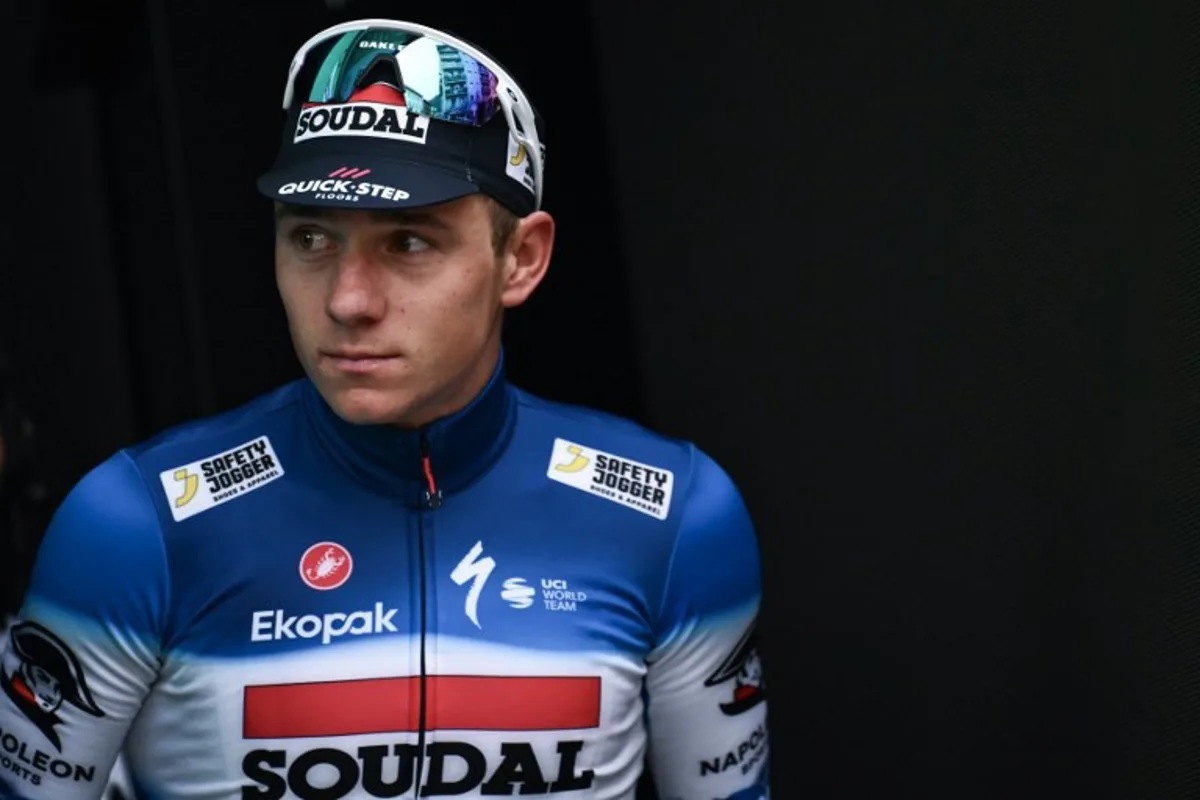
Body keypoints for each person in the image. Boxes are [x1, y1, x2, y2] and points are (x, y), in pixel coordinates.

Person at [0, 18, 770, 800]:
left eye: (408, 242)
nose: (347, 299)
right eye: (311, 237)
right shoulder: (136, 524)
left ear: (522, 258)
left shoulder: (673, 516)